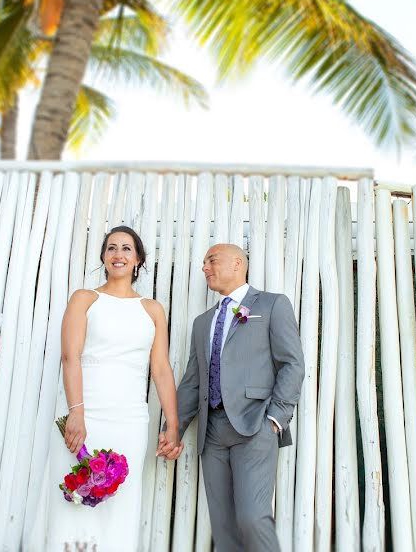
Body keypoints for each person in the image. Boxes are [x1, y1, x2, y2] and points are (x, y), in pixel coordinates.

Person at [158, 243, 304, 552]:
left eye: (211, 260)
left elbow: (292, 363)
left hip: (255, 426)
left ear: (238, 263)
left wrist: (275, 419)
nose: (204, 268)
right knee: (224, 528)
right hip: (212, 434)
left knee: (252, 517)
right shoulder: (202, 322)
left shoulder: (272, 305)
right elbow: (192, 383)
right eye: (203, 262)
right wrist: (175, 430)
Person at [47, 226, 181, 551]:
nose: (118, 254)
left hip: (130, 420)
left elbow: (161, 370)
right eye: (111, 248)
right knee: (75, 501)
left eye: (126, 249)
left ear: (138, 259)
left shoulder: (151, 309)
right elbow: (70, 357)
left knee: (120, 505)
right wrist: (76, 413)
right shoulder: (85, 299)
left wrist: (173, 425)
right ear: (104, 257)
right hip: (87, 414)